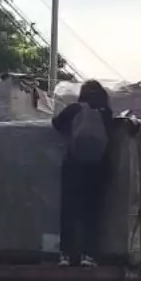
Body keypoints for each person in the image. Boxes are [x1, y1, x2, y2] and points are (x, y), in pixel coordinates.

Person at [52, 80, 113, 267]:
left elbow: (56, 124)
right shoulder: (106, 114)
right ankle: (89, 255)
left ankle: (66, 255)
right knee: (92, 212)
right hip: (97, 168)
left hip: (74, 165)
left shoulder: (74, 109)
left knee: (69, 210)